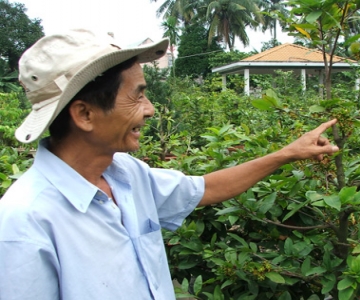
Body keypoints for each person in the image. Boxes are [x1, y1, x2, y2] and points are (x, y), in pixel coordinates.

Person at [0, 29, 339, 300]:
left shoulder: (126, 175)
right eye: (137, 95)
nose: (149, 109)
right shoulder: (25, 221)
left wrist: (288, 153)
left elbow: (205, 188)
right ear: (85, 114)